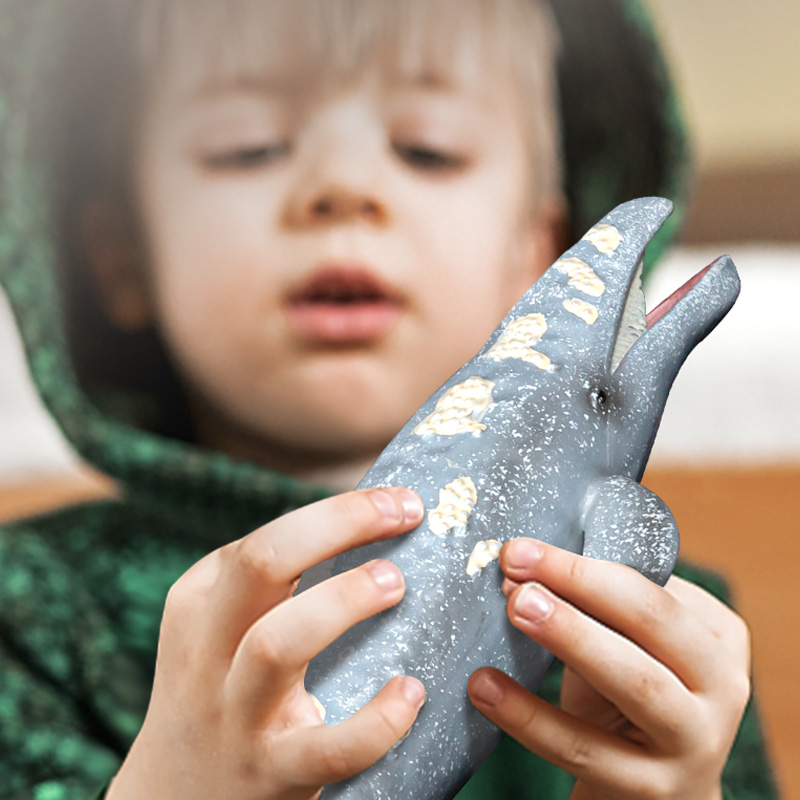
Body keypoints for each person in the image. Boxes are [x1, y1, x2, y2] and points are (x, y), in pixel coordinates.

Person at [0, 0, 778, 798]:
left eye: (427, 149)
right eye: (248, 146)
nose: (342, 187)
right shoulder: (28, 612)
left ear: (544, 259)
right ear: (118, 257)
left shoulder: (660, 637)